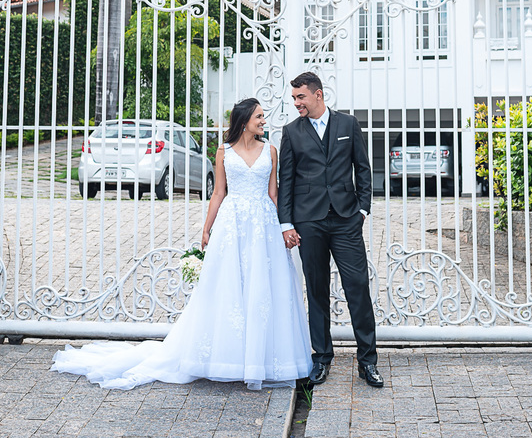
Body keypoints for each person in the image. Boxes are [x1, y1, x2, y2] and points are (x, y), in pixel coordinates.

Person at [51, 98, 312, 390]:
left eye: (263, 117)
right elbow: (219, 193)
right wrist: (207, 227)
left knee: (262, 289)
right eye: (259, 117)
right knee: (230, 287)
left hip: (263, 226)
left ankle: (260, 359)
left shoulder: (271, 151)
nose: (264, 121)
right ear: (243, 121)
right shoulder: (224, 152)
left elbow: (274, 195)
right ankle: (229, 357)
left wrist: (282, 228)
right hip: (232, 223)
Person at [278, 71, 384, 388]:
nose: (296, 102)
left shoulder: (347, 125)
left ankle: (368, 362)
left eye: (301, 97)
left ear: (318, 95)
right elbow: (287, 182)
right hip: (308, 221)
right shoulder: (291, 132)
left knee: (358, 288)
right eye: (294, 97)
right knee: (317, 289)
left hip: (345, 219)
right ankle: (322, 358)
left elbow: (362, 168)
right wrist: (287, 223)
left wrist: (362, 208)